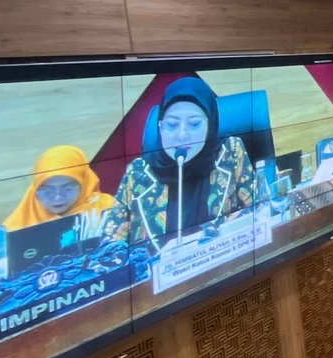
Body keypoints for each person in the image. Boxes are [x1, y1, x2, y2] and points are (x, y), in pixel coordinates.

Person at [105, 76, 259, 249]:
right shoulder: (138, 172)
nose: (182, 135)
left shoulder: (230, 152)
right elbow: (109, 246)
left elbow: (259, 210)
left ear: (210, 124)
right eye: (172, 125)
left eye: (194, 124)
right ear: (160, 127)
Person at [1, 146, 115, 235]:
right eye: (47, 190)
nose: (58, 197)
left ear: (85, 184)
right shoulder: (17, 225)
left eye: (67, 188)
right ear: (35, 188)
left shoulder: (109, 210)